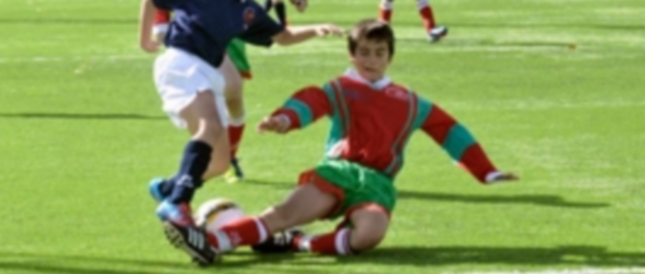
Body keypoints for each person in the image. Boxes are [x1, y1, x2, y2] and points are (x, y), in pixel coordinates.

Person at [194, 19, 517, 260]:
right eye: (364, 52)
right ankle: (213, 242)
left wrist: (486, 171)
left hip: (377, 185)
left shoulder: (410, 101)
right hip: (338, 172)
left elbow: (449, 130)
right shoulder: (340, 89)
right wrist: (285, 118)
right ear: (352, 55)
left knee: (369, 235)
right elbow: (312, 100)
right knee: (279, 216)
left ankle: (298, 242)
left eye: (379, 53)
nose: (371, 60)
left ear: (390, 56)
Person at [138, 0, 343, 266]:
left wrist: (315, 29)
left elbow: (282, 36)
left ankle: (169, 188)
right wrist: (145, 40)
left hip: (207, 71)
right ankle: (177, 205)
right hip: (181, 62)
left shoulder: (244, 6)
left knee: (219, 162)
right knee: (210, 128)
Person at [152, 0, 309, 183]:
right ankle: (202, 161)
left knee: (234, 93)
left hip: (231, 32)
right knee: (212, 97)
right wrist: (160, 24)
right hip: (195, 35)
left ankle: (229, 155)